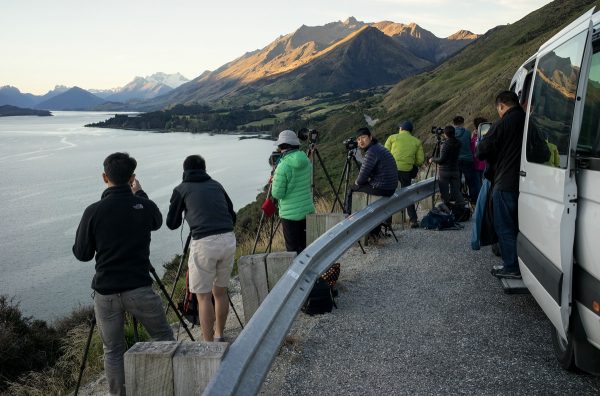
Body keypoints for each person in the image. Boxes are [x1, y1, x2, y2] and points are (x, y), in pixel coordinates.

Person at [73, 152, 174, 396]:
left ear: (104, 177)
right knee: (164, 337)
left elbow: (83, 254)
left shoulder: (93, 211)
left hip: (106, 291)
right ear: (132, 178)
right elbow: (157, 221)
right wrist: (139, 194)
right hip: (139, 286)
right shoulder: (142, 205)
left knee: (113, 350)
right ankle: (168, 386)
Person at [166, 155, 236, 342]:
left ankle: (208, 345)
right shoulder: (217, 185)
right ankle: (220, 334)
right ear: (204, 169)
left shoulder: (181, 189)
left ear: (184, 171)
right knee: (220, 292)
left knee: (203, 298)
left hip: (204, 243)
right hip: (228, 239)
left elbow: (172, 223)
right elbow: (232, 215)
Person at [476, 91, 525, 279]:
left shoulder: (502, 123)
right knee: (519, 226)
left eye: (498, 109)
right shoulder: (528, 121)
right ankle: (520, 263)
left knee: (504, 226)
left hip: (504, 183)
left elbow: (481, 151)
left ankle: (511, 266)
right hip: (526, 184)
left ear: (501, 106)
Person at [271, 130, 315, 254]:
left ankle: (297, 273)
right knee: (306, 247)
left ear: (282, 146)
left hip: (290, 215)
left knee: (293, 251)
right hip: (307, 210)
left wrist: (275, 179)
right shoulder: (306, 161)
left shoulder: (283, 165)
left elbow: (277, 194)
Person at [346, 127, 398, 220]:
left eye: (363, 137)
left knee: (352, 189)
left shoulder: (371, 152)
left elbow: (361, 179)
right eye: (358, 139)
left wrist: (356, 183)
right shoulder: (378, 146)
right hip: (391, 186)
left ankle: (348, 218)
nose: (361, 141)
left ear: (370, 137)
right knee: (361, 185)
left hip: (383, 187)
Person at [384, 120, 424, 227]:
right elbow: (420, 161)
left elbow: (385, 154)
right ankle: (413, 220)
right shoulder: (417, 141)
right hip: (406, 171)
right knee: (407, 195)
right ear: (411, 131)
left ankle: (387, 222)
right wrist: (411, 162)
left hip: (391, 170)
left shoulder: (392, 138)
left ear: (401, 129)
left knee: (390, 195)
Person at [430, 126, 466, 208]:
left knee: (444, 192)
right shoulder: (459, 143)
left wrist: (432, 159)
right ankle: (462, 208)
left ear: (445, 134)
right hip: (455, 170)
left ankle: (447, 209)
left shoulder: (445, 144)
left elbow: (441, 159)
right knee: (456, 191)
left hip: (445, 171)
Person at [454, 115, 481, 203]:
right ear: (463, 123)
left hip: (456, 160)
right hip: (468, 160)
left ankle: (459, 200)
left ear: (454, 124)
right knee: (471, 182)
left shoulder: (452, 133)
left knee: (457, 182)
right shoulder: (468, 132)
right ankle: (474, 200)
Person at [471, 117, 488, 182]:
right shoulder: (487, 135)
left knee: (478, 184)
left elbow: (472, 149)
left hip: (476, 164)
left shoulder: (474, 138)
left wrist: (472, 137)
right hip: (485, 164)